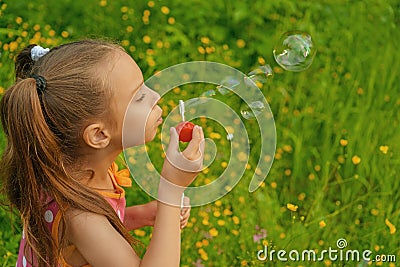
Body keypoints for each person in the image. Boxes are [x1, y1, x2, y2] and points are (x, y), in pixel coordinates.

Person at [0, 40, 204, 267]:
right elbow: (92, 230)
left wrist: (142, 215)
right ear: (98, 135)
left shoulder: (73, 169)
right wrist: (171, 189)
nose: (155, 95)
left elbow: (99, 230)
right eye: (139, 97)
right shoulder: (79, 216)